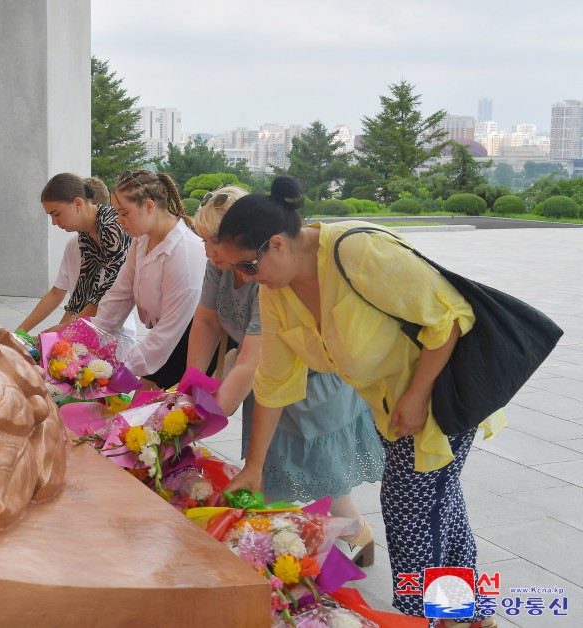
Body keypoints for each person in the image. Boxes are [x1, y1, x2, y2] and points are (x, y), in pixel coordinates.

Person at [216, 176, 504, 627]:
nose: (242, 278)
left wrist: (417, 393)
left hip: (441, 394)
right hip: (391, 408)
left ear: (276, 245)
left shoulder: (357, 252)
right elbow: (273, 380)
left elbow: (449, 317)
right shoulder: (278, 290)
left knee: (410, 513)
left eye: (246, 266)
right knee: (438, 503)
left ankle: (425, 619)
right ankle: (470, 613)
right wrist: (253, 467)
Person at [186, 184, 384, 566]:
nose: (211, 252)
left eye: (216, 241)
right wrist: (191, 388)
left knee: (317, 463)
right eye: (206, 241)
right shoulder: (223, 265)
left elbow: (252, 359)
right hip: (269, 380)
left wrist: (200, 420)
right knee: (269, 464)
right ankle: (296, 544)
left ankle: (306, 545)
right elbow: (207, 321)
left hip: (308, 377)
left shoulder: (266, 274)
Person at [91, 168, 213, 389]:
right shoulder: (141, 241)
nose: (119, 220)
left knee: (145, 414)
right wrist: (90, 341)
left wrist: (124, 368)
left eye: (124, 213)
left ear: (149, 205)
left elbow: (170, 331)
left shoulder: (184, 252)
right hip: (166, 339)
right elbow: (119, 295)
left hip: (190, 343)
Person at [17, 174, 136, 349]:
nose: (54, 222)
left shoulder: (112, 228)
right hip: (93, 328)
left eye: (57, 214)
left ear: (78, 203)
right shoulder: (85, 235)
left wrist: (61, 330)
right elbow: (80, 295)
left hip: (116, 334)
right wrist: (24, 334)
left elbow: (106, 294)